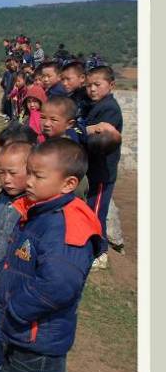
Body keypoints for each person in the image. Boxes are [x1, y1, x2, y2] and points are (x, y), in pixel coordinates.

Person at [0, 138, 102, 372]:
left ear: (68, 184)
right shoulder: (41, 210)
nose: (29, 181)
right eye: (29, 172)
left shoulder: (66, 227)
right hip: (22, 333)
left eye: (38, 176)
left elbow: (59, 285)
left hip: (36, 345)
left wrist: (15, 310)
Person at [0, 142, 31, 372]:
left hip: (15, 290)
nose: (6, 179)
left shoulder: (32, 209)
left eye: (13, 173)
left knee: (12, 339)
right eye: (1, 173)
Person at [83, 66, 124, 270]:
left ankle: (100, 253)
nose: (92, 89)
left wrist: (80, 133)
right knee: (90, 209)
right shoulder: (95, 105)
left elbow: (98, 140)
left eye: (97, 85)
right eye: (89, 85)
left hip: (101, 172)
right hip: (93, 169)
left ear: (111, 85)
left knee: (96, 212)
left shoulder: (109, 109)